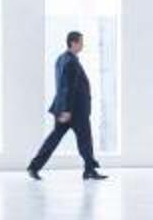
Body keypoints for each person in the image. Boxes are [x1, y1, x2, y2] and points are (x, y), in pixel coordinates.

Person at [27, 30, 107, 181]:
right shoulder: (70, 62)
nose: (82, 45)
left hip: (66, 108)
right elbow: (67, 87)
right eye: (81, 42)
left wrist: (64, 109)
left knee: (56, 138)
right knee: (84, 139)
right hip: (74, 110)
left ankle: (34, 167)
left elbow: (64, 86)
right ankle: (89, 170)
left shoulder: (61, 59)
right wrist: (67, 110)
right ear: (73, 43)